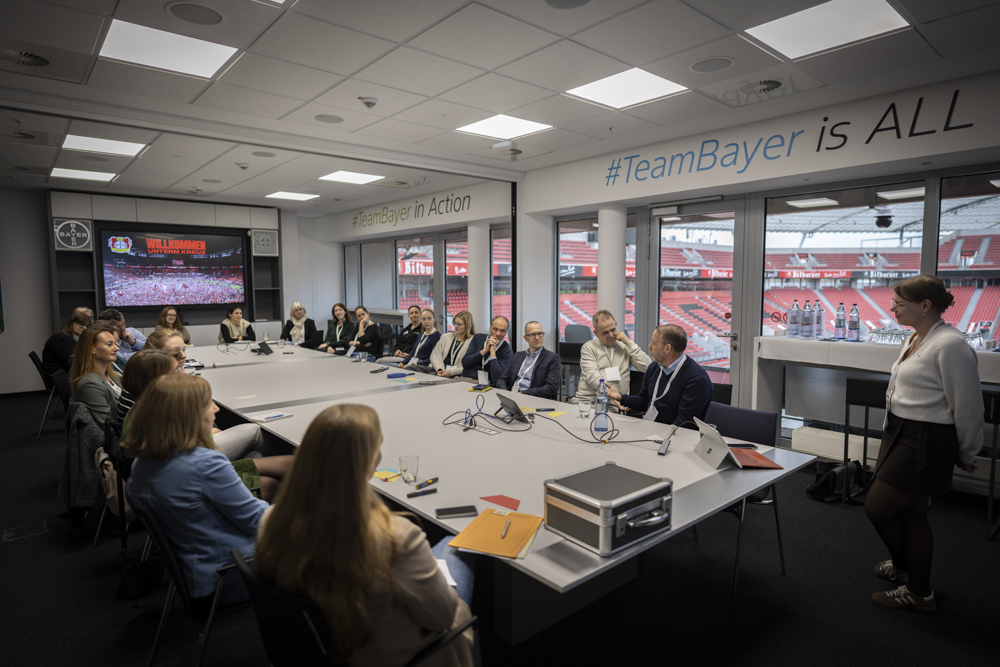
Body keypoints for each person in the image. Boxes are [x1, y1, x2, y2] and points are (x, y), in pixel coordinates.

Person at [254, 404, 474, 666]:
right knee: (458, 542)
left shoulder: (271, 519)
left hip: (312, 649)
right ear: (371, 463)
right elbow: (441, 617)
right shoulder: (396, 536)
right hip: (385, 653)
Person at [865, 275, 983, 612]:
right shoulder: (918, 337)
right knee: (913, 514)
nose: (892, 309)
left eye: (899, 304)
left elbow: (969, 407)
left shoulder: (951, 345)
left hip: (927, 439)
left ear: (925, 306)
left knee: (878, 507)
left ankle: (910, 577)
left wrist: (966, 451)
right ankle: (918, 587)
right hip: (904, 433)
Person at [127, 373, 268, 604]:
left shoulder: (142, 463)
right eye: (208, 403)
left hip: (194, 571)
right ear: (188, 414)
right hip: (230, 573)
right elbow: (257, 522)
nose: (216, 409)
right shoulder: (205, 463)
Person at [119, 350, 288, 495]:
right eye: (177, 370)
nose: (184, 373)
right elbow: (203, 453)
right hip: (198, 482)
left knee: (255, 456)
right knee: (268, 457)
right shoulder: (164, 418)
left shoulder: (141, 411)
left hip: (181, 484)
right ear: (160, 380)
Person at [606, 324, 712, 426]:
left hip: (679, 436)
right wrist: (621, 397)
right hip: (655, 429)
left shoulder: (696, 378)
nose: (650, 346)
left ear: (667, 348)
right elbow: (643, 401)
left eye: (654, 343)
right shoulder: (655, 367)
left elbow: (684, 423)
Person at [576, 310, 651, 406]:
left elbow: (648, 367)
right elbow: (592, 377)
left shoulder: (625, 346)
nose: (611, 335)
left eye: (613, 330)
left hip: (615, 405)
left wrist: (629, 343)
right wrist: (613, 395)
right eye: (605, 332)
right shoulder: (588, 347)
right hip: (588, 401)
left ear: (616, 325)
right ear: (596, 333)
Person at [69, 322, 122, 429]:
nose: (117, 348)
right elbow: (109, 428)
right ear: (92, 348)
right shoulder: (89, 384)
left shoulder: (112, 376)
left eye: (115, 343)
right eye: (109, 344)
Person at [497, 321, 562, 399]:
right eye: (532, 335)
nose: (537, 337)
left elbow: (551, 388)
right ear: (525, 338)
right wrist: (505, 392)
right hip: (512, 396)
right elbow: (502, 379)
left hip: (532, 398)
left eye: (540, 334)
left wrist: (522, 393)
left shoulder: (552, 358)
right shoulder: (517, 356)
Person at [410, 311, 476, 377]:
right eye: (454, 323)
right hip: (438, 369)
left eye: (459, 324)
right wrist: (440, 369)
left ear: (467, 325)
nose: (455, 326)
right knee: (410, 369)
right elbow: (435, 355)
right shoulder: (446, 337)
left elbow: (469, 365)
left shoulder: (472, 341)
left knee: (430, 377)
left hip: (455, 373)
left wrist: (450, 372)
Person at [461, 315, 512, 385]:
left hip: (488, 384)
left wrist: (493, 353)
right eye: (495, 329)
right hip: (466, 380)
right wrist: (484, 351)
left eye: (502, 331)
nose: (498, 334)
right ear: (490, 328)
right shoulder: (478, 338)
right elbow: (465, 363)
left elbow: (499, 378)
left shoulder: (507, 350)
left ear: (506, 332)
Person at [42, 309, 93, 376]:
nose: (84, 328)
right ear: (72, 323)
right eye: (81, 324)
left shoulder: (68, 337)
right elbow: (72, 361)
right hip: (60, 378)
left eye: (86, 326)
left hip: (64, 375)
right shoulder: (60, 338)